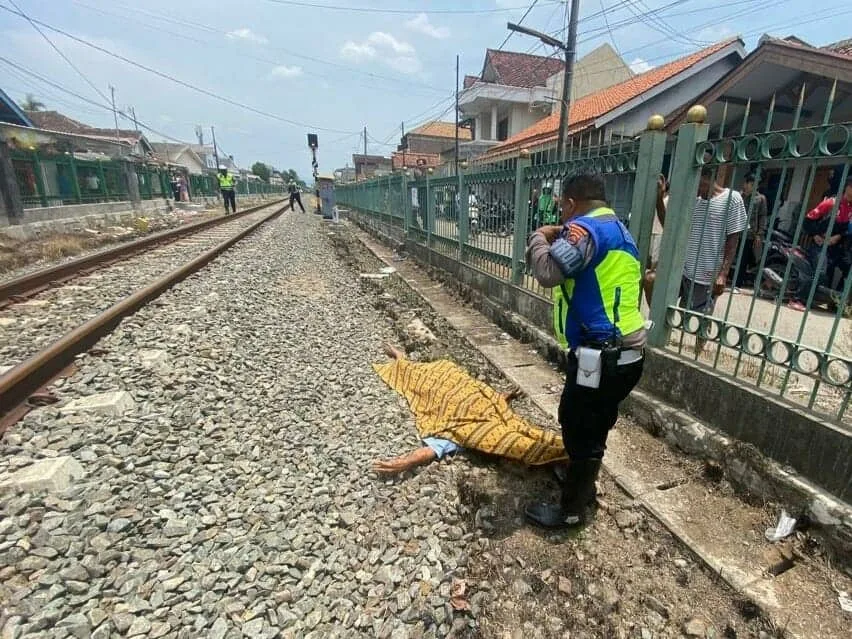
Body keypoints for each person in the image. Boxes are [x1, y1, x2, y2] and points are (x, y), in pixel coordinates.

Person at [524, 172, 646, 528]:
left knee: (580, 429)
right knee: (590, 423)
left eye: (562, 207)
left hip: (603, 356)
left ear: (570, 203)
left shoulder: (584, 230)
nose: (562, 215)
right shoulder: (621, 232)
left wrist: (539, 236)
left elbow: (548, 272)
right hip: (625, 354)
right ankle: (583, 482)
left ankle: (572, 511)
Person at [371, 344, 568, 475]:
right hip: (445, 378)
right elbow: (432, 450)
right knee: (413, 374)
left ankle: (400, 358)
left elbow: (430, 451)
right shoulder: (470, 433)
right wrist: (407, 463)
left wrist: (406, 462)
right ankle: (400, 358)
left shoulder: (468, 432)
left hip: (450, 378)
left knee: (523, 430)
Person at [798, 178, 852, 308]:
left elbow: (847, 230)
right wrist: (815, 235)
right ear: (847, 187)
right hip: (819, 246)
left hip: (835, 247)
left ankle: (836, 303)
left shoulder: (850, 209)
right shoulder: (831, 203)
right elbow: (807, 221)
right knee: (820, 272)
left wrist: (838, 236)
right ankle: (798, 299)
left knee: (849, 268)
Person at [735, 174, 768, 289]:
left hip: (749, 234)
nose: (754, 187)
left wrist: (759, 234)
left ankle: (737, 284)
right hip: (735, 232)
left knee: (743, 260)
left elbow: (762, 217)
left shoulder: (760, 199)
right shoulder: (738, 196)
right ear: (746, 184)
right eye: (751, 184)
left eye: (756, 185)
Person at [643, 174, 669, 306]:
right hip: (651, 233)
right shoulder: (647, 198)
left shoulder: (670, 200)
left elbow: (666, 222)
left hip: (661, 235)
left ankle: (655, 314)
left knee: (652, 275)